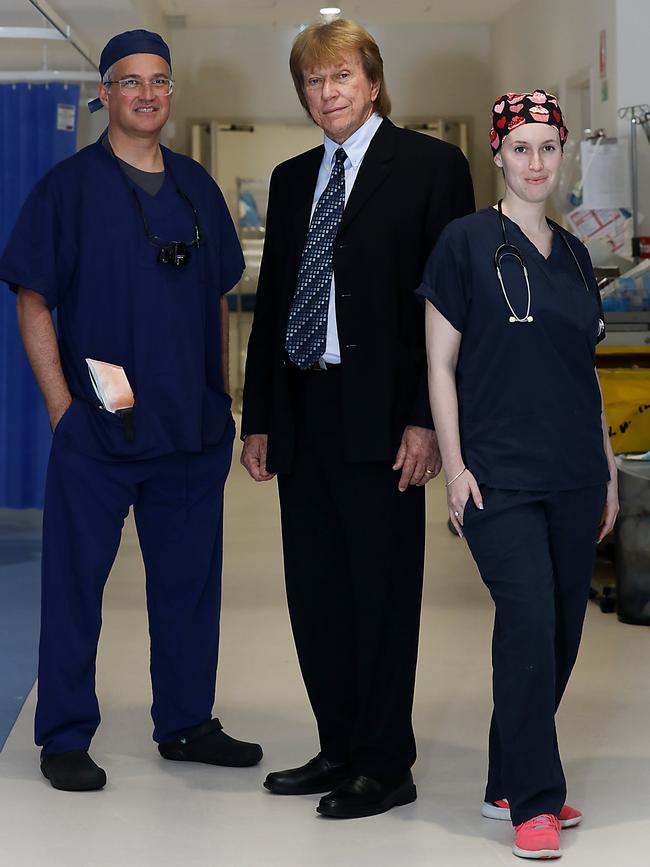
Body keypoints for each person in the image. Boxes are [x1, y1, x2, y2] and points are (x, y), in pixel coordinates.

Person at [0, 29, 262, 791]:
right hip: (100, 425)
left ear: (170, 93)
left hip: (189, 429)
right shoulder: (69, 189)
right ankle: (64, 733)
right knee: (75, 585)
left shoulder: (196, 189)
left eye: (159, 80)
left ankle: (186, 722)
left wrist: (219, 397)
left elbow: (216, 298)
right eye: (130, 81)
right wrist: (61, 408)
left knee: (188, 586)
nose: (147, 93)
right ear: (106, 94)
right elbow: (33, 298)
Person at [240, 19, 474, 819]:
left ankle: (384, 761)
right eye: (313, 81)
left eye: (341, 77)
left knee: (380, 593)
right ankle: (337, 745)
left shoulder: (433, 168)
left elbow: (448, 305)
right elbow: (273, 303)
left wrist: (427, 422)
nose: (326, 93)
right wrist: (260, 416)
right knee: (316, 593)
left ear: (372, 83)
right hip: (304, 408)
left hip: (384, 416)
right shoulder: (291, 176)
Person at [418, 90, 618, 859]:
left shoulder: (573, 255)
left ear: (560, 154)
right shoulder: (465, 243)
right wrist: (455, 468)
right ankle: (536, 798)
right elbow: (439, 364)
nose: (536, 162)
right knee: (529, 619)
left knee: (563, 632)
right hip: (497, 475)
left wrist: (603, 471)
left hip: (572, 472)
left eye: (547, 147)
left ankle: (507, 775)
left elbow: (586, 372)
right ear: (497, 155)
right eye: (521, 148)